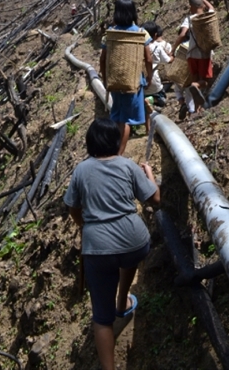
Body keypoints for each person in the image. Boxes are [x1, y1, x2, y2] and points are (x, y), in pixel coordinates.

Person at [64, 118, 160, 370]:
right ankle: (123, 303)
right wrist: (148, 173)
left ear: (90, 142)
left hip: (99, 248)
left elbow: (73, 208)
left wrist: (85, 225)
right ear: (116, 141)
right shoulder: (127, 166)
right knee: (127, 259)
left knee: (102, 319)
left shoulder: (82, 170)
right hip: (135, 241)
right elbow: (155, 198)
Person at [100, 0, 153, 154]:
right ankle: (119, 154)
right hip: (134, 81)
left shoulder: (110, 34)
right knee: (125, 120)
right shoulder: (141, 33)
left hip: (115, 80)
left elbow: (102, 59)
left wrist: (105, 79)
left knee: (118, 116)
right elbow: (148, 58)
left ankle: (115, 150)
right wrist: (149, 76)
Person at [171, 0, 215, 113]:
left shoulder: (189, 19)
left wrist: (172, 49)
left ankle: (196, 110)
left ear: (191, 7)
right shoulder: (208, 16)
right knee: (204, 82)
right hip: (204, 54)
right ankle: (195, 86)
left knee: (194, 78)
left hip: (190, 54)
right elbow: (212, 8)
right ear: (202, 5)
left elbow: (182, 35)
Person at [141, 21, 172, 132]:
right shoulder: (157, 47)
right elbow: (168, 61)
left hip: (141, 81)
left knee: (145, 107)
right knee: (162, 98)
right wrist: (171, 56)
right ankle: (155, 101)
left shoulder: (138, 48)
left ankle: (148, 128)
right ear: (155, 35)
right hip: (154, 80)